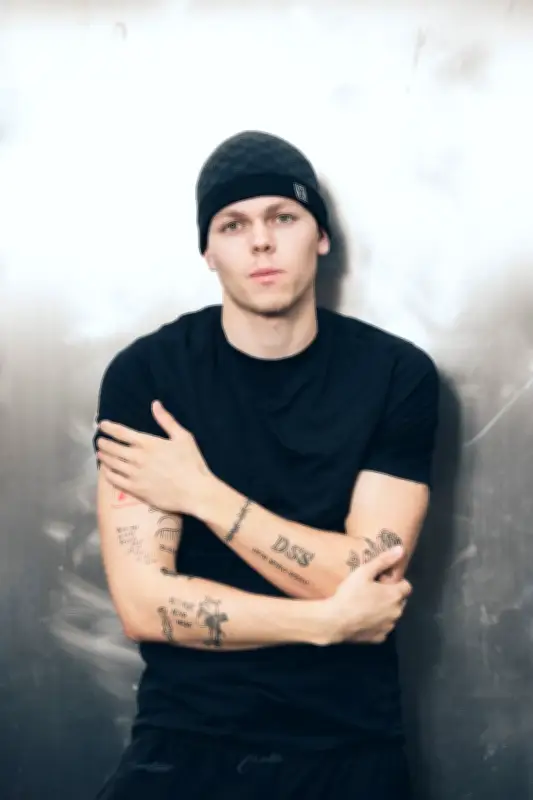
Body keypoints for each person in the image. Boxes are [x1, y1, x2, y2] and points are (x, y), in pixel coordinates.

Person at [92, 130, 440, 799]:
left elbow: (369, 576)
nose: (260, 241)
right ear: (207, 251)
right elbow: (142, 604)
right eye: (233, 224)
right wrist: (326, 624)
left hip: (348, 742)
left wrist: (202, 494)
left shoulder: (395, 375)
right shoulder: (148, 377)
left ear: (321, 236)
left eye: (283, 217)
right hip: (187, 738)